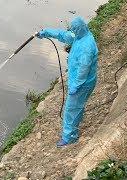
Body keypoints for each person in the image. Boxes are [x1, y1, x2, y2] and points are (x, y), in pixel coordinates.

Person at [37, 17, 98, 147]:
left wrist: (76, 85)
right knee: (75, 107)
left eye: (75, 29)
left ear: (80, 28)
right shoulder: (80, 36)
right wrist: (45, 32)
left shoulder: (87, 46)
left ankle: (70, 138)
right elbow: (64, 35)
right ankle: (72, 130)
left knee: (71, 109)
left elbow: (84, 69)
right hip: (78, 81)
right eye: (73, 30)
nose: (73, 32)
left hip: (83, 84)